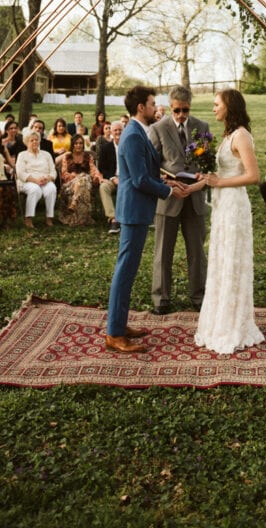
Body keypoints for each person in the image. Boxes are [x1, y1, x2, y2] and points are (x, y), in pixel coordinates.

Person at [105, 86, 189, 354]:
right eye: (153, 103)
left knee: (127, 270)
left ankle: (119, 324)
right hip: (132, 211)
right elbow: (139, 179)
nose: (156, 108)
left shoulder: (139, 131)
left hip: (138, 209)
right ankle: (115, 334)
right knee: (125, 270)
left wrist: (166, 179)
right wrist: (168, 190)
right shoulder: (132, 135)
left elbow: (144, 172)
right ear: (141, 107)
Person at [194, 89, 264, 355]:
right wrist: (209, 176)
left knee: (233, 260)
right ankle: (219, 318)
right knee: (222, 259)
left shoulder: (242, 135)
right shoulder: (227, 135)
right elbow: (226, 169)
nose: (213, 109)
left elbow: (253, 175)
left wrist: (220, 182)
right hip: (223, 204)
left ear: (229, 106)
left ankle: (234, 323)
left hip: (235, 204)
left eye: (216, 104)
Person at [149, 85, 210, 314]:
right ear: (170, 107)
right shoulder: (157, 129)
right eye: (176, 111)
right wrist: (168, 183)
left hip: (194, 197)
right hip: (168, 198)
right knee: (163, 252)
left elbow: (207, 162)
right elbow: (151, 166)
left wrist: (199, 177)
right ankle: (161, 300)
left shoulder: (202, 127)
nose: (181, 115)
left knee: (197, 252)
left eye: (185, 110)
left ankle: (199, 297)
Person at [15, 130, 57, 229]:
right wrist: (35, 180)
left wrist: (48, 178)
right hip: (27, 181)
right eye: (31, 140)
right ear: (26, 142)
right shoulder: (22, 155)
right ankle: (28, 218)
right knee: (35, 189)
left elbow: (53, 171)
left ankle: (49, 218)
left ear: (39, 141)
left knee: (51, 189)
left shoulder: (46, 154)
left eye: (36, 140)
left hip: (45, 180)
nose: (34, 142)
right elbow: (20, 173)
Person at [55, 134, 100, 226]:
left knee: (84, 179)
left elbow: (93, 170)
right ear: (72, 145)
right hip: (69, 185)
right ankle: (79, 213)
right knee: (83, 178)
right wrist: (76, 177)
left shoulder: (88, 156)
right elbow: (64, 174)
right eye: (76, 143)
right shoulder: (67, 157)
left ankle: (74, 203)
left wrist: (96, 177)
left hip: (86, 183)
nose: (78, 145)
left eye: (80, 143)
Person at [96, 122, 122, 233]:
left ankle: (129, 217)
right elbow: (102, 167)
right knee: (103, 187)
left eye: (120, 130)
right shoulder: (106, 148)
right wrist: (112, 178)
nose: (118, 132)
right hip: (112, 178)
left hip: (127, 179)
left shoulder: (129, 146)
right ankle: (113, 219)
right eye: (115, 130)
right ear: (111, 132)